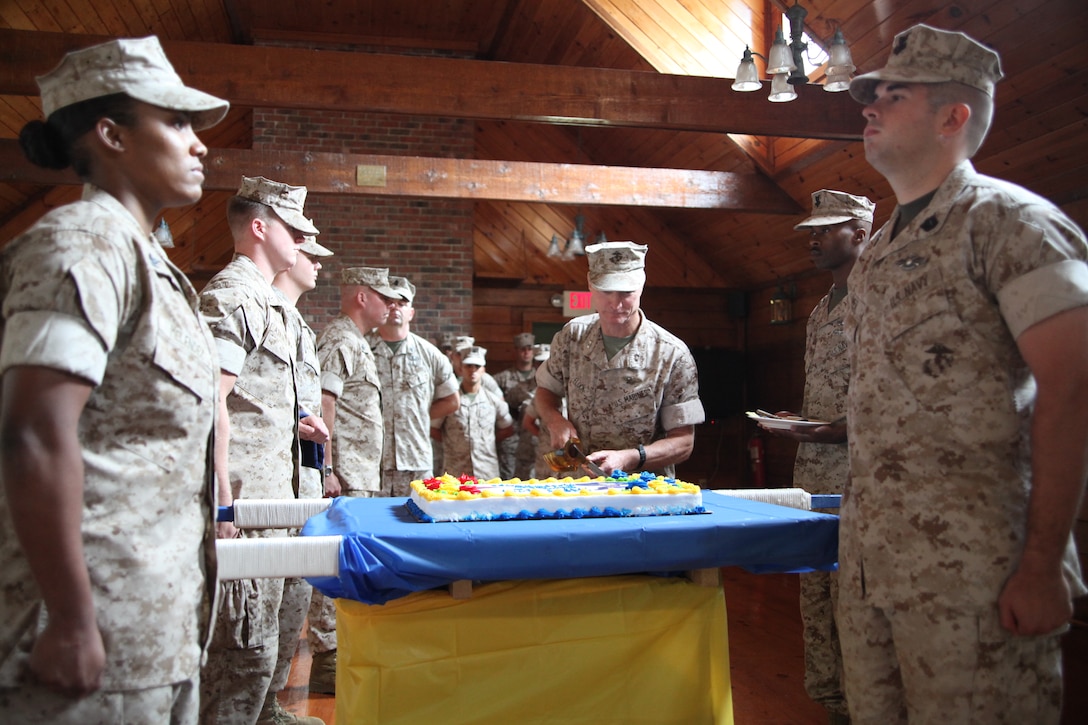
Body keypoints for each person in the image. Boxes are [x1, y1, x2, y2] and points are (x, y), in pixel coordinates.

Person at [840, 24, 1088, 723]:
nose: (870, 107)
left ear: (955, 116)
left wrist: (1041, 567)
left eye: (894, 95)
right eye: (871, 95)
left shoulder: (1013, 225)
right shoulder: (878, 251)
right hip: (874, 575)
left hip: (979, 581)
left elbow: (1073, 388)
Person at [0, 36, 228, 724]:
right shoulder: (83, 242)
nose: (200, 146)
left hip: (153, 632)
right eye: (177, 122)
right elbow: (32, 431)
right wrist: (71, 619)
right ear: (111, 134)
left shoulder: (147, 261)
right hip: (86, 639)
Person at [199, 175, 327, 725]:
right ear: (259, 227)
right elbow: (207, 403)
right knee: (241, 651)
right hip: (244, 509)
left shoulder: (270, 304)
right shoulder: (233, 296)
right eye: (294, 231)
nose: (303, 244)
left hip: (274, 503)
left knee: (265, 644)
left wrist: (302, 426)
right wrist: (220, 498)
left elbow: (253, 403)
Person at [759, 190, 874, 725]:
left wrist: (835, 432)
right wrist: (801, 425)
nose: (814, 239)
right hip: (817, 482)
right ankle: (833, 709)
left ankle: (866, 707)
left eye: (825, 230)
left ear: (860, 231)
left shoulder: (883, 297)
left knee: (860, 610)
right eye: (813, 230)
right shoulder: (820, 310)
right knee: (819, 610)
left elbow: (894, 399)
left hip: (865, 482)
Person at [533, 241, 704, 477]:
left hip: (639, 490)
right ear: (590, 285)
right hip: (577, 485)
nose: (615, 303)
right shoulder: (572, 336)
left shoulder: (671, 353)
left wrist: (630, 457)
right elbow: (545, 391)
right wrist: (555, 420)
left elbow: (683, 442)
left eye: (626, 293)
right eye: (606, 291)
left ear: (641, 286)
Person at [306, 266, 398, 694]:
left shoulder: (358, 341)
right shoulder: (342, 339)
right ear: (362, 296)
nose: (392, 305)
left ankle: (342, 654)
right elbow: (323, 403)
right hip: (343, 476)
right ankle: (328, 660)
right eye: (384, 296)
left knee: (349, 564)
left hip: (357, 473)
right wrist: (325, 469)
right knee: (335, 565)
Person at [268, 237, 333, 724]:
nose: (318, 265)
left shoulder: (298, 325)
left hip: (299, 485)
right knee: (255, 620)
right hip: (265, 490)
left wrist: (303, 422)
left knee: (291, 608)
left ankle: (268, 707)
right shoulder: (248, 306)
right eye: (312, 255)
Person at [372, 275, 459, 495]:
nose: (395, 308)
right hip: (372, 459)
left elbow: (452, 400)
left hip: (415, 459)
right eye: (389, 302)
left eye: (402, 303)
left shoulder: (430, 355)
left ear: (411, 312)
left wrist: (419, 415)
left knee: (415, 520)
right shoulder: (361, 347)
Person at [439, 346, 516, 479]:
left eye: (477, 366)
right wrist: (453, 444)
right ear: (461, 369)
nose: (472, 370)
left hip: (486, 471)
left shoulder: (493, 401)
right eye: (468, 366)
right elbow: (433, 428)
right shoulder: (449, 401)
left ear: (483, 370)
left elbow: (507, 428)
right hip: (456, 471)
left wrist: (485, 443)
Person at [492, 332, 536, 478]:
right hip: (510, 438)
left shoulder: (541, 377)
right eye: (522, 348)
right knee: (507, 479)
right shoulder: (502, 378)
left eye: (529, 348)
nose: (526, 352)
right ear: (516, 351)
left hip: (533, 440)